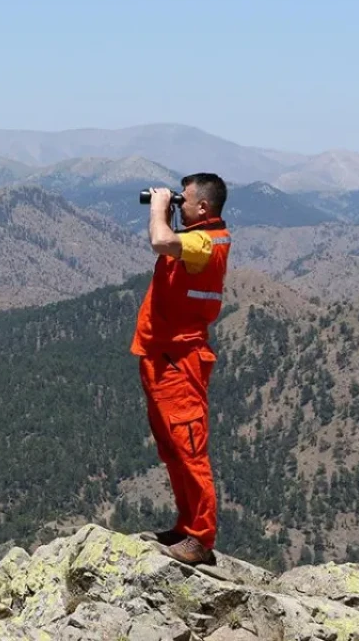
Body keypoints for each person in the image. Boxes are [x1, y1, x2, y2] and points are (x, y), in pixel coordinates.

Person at [130, 173, 230, 566]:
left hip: (181, 362)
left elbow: (160, 240)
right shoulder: (196, 240)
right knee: (172, 449)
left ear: (203, 207)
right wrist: (169, 212)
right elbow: (172, 247)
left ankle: (201, 537)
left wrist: (157, 209)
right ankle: (186, 524)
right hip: (162, 356)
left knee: (190, 449)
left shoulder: (205, 241)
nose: (177, 204)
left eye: (182, 200)